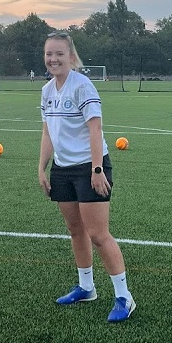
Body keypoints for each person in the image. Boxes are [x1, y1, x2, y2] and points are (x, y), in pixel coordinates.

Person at [38, 31, 135, 323]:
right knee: (75, 230)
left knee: (98, 235)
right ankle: (86, 287)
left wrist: (96, 169)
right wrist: (41, 168)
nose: (53, 59)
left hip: (89, 167)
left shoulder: (83, 87)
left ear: (70, 56)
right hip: (62, 168)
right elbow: (47, 133)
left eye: (59, 54)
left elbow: (96, 129)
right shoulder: (45, 91)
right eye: (49, 54)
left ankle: (124, 297)